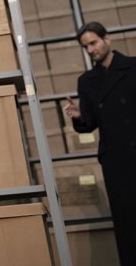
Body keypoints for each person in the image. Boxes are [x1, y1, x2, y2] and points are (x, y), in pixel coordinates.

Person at [63, 22, 136, 264]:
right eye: (85, 47)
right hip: (115, 160)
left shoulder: (133, 67)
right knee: (127, 222)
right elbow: (91, 123)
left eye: (93, 43)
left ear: (108, 39)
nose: (90, 50)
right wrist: (80, 116)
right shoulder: (86, 81)